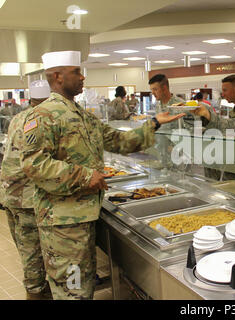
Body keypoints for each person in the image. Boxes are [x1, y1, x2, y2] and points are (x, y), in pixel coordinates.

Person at [19, 51, 184, 300]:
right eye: (76, 71)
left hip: (82, 217)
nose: (83, 76)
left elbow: (120, 140)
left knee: (82, 287)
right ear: (57, 77)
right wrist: (85, 176)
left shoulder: (84, 116)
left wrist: (154, 123)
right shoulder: (42, 115)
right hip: (63, 225)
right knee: (72, 291)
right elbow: (34, 164)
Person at [0, 80, 52, 300]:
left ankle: (38, 288)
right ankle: (36, 293)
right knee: (32, 252)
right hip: (26, 199)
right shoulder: (40, 120)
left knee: (24, 247)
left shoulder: (18, 118)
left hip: (9, 195)